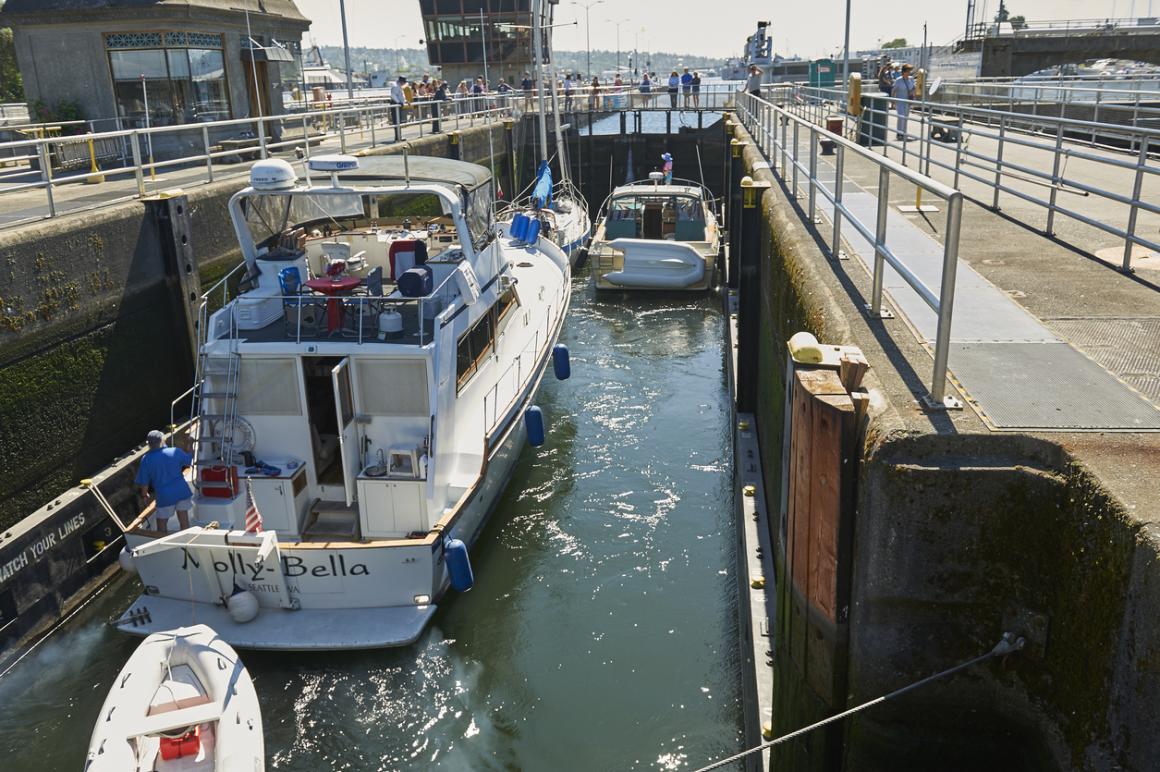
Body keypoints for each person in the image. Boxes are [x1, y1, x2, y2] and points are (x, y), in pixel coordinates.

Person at [135, 430, 193, 532]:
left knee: (161, 525)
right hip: (182, 491)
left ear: (148, 444)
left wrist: (145, 495)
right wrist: (190, 444)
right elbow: (188, 461)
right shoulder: (175, 451)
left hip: (164, 496)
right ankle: (186, 542)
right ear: (162, 440)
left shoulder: (146, 459)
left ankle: (163, 544)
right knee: (184, 521)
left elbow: (144, 482)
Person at [891, 63, 916, 140]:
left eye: (910, 71)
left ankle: (904, 132)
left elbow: (913, 88)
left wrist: (913, 95)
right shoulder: (899, 80)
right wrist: (893, 101)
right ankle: (899, 133)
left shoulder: (911, 79)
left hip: (908, 101)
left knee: (905, 117)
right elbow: (894, 90)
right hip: (900, 100)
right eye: (908, 71)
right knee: (901, 116)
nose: (909, 73)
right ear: (904, 72)